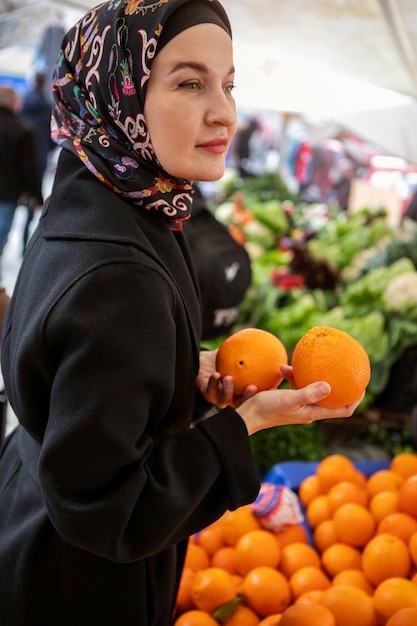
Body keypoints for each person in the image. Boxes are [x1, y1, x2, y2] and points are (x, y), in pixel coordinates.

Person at [0, 2, 363, 625]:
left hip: (29, 512)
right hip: (76, 586)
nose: (224, 111)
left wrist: (175, 371)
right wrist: (243, 426)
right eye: (189, 82)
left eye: (227, 84)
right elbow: (107, 506)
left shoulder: (103, 196)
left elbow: (71, 366)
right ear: (118, 94)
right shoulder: (122, 274)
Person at [0, 85, 43, 265]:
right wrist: (37, 196)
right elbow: (28, 168)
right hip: (8, 193)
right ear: (14, 103)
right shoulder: (22, 130)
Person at [20, 71, 55, 250]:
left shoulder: (22, 104)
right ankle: (24, 242)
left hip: (18, 158)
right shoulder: (48, 107)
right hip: (38, 157)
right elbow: (52, 136)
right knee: (33, 198)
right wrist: (46, 150)